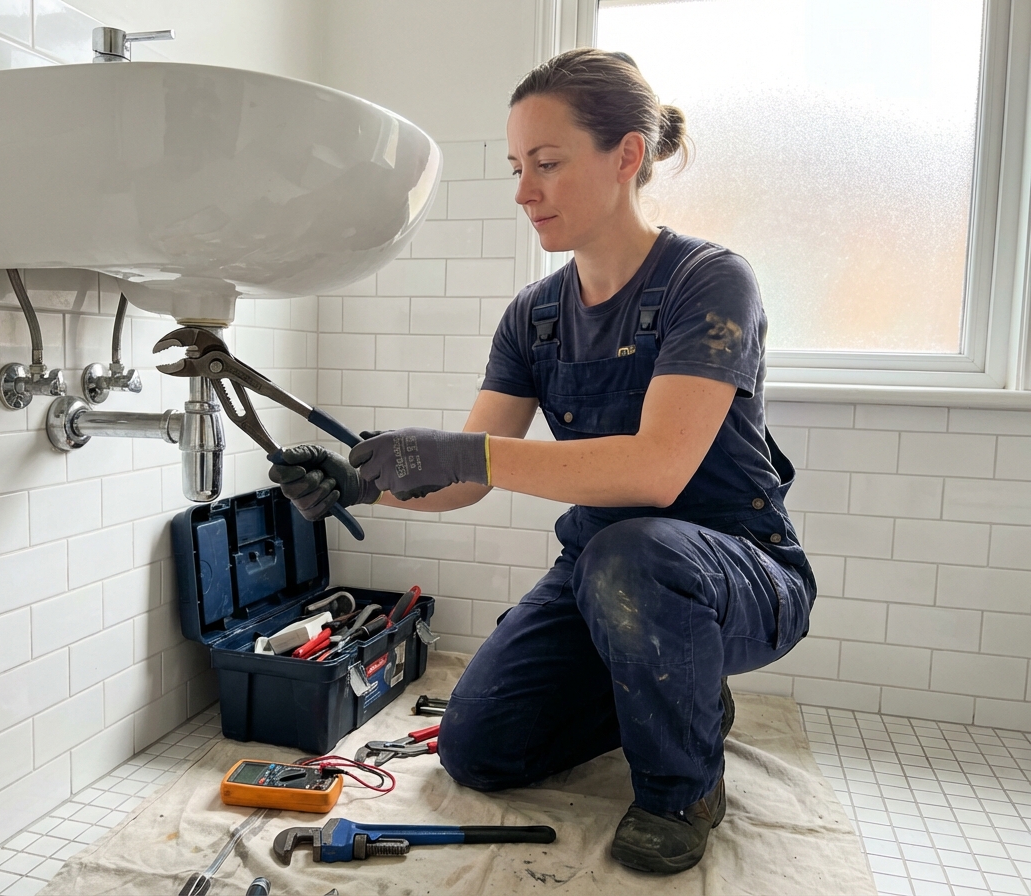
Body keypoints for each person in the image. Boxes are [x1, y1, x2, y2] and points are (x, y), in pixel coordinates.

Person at [269, 47, 816, 876]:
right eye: (518, 167)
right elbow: (466, 479)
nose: (525, 190)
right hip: (602, 571)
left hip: (740, 571)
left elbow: (656, 472)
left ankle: (682, 788)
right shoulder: (536, 317)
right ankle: (681, 692)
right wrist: (362, 483)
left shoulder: (710, 282)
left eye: (549, 164)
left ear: (627, 155)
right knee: (477, 748)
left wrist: (470, 451)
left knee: (638, 551)